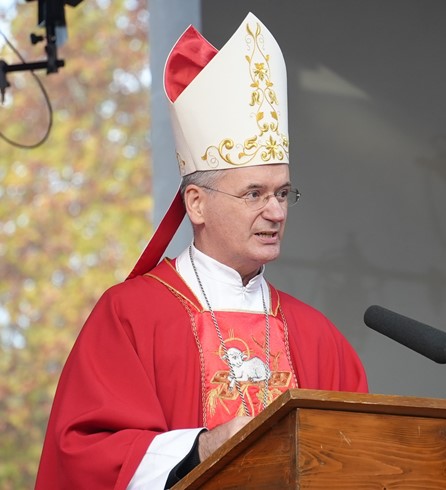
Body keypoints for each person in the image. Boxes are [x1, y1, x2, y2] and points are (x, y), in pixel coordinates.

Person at [35, 12, 368, 490]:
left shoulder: (318, 337)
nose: (275, 212)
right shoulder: (131, 314)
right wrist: (200, 449)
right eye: (254, 193)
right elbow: (84, 454)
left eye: (282, 193)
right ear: (197, 203)